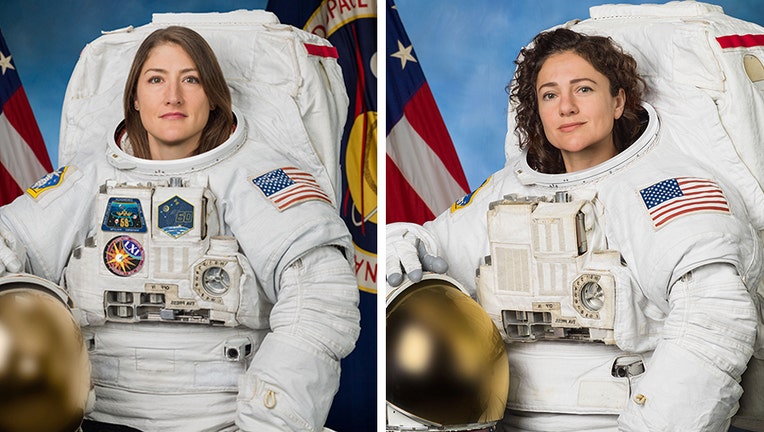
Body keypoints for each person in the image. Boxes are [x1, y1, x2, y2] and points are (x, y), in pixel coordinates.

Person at [387, 27, 763, 432]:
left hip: (623, 417)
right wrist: (401, 243)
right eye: (550, 94)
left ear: (618, 100)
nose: (566, 107)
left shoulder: (663, 185)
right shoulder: (509, 187)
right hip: (497, 417)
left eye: (583, 89)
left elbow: (715, 318)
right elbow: (433, 249)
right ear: (537, 110)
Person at [0, 25, 360, 432]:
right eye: (156, 80)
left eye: (191, 79)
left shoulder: (261, 175)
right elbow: (13, 239)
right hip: (93, 416)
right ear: (134, 98)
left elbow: (321, 299)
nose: (173, 96)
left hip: (228, 421)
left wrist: (271, 420)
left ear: (213, 95)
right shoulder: (88, 174)